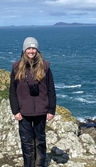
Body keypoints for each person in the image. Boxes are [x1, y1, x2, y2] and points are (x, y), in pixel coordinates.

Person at [9, 37, 57, 167]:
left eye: (33, 48)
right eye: (28, 48)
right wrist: (15, 110)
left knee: (40, 140)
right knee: (26, 142)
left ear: (37, 50)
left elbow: (51, 89)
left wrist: (51, 110)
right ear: (24, 50)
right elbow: (12, 92)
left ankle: (39, 164)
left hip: (41, 110)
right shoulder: (16, 67)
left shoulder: (45, 67)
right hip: (23, 111)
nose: (31, 51)